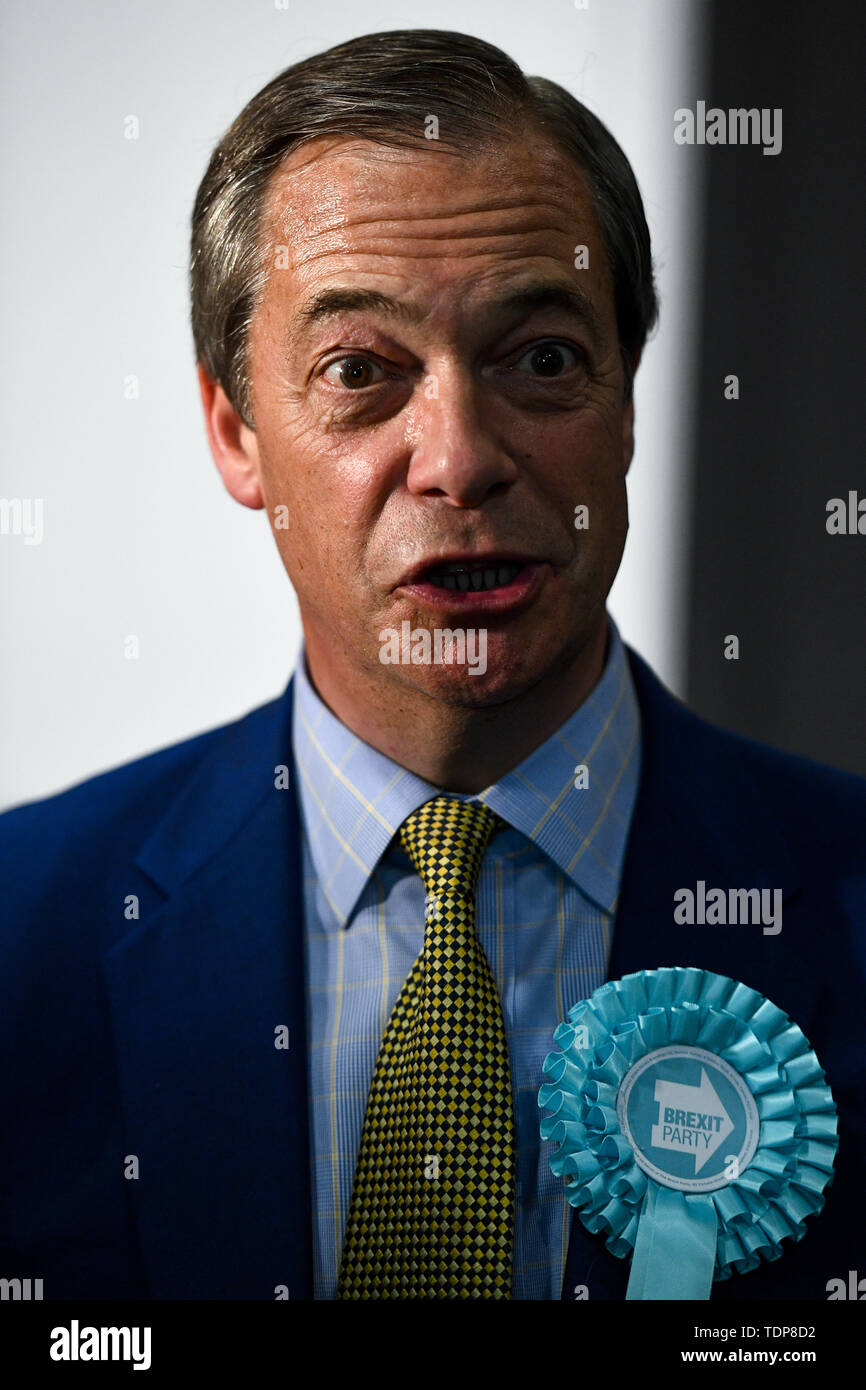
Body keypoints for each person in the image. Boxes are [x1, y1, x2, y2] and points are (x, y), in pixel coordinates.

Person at [1, 29, 864, 1302]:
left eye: (542, 359)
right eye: (360, 371)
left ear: (626, 399)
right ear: (236, 432)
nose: (458, 457)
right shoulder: (24, 934)